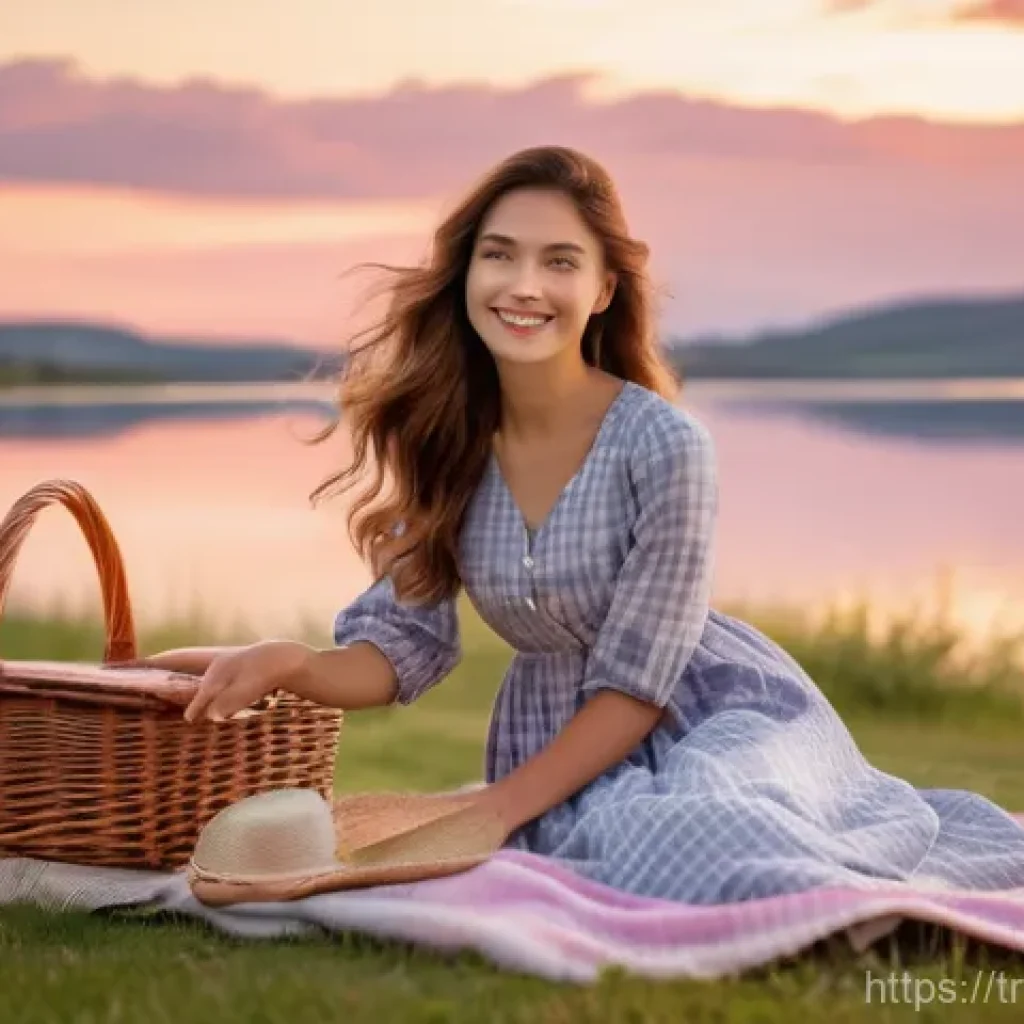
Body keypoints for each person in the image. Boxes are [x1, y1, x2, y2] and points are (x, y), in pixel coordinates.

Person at [136, 145, 1024, 904]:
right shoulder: (443, 441)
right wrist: (288, 662)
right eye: (500, 256)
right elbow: (403, 648)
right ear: (467, 275)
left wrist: (495, 808)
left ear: (603, 289)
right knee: (634, 845)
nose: (525, 286)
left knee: (714, 840)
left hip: (717, 719)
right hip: (548, 746)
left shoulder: (665, 444)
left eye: (560, 261)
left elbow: (639, 684)